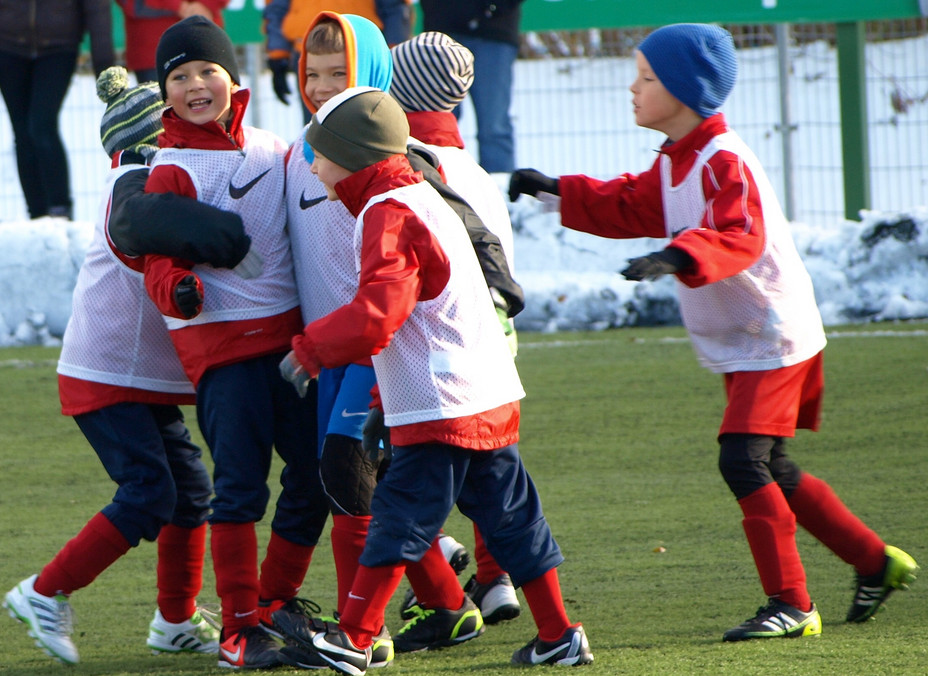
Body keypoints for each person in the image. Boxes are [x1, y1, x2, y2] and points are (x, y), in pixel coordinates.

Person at [507, 23, 919, 642]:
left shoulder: (723, 158)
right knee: (772, 466)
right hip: (746, 339)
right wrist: (559, 191)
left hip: (773, 337)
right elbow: (631, 203)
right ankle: (875, 562)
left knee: (742, 460)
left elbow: (739, 233)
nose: (632, 88)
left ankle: (793, 604)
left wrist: (677, 256)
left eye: (646, 78)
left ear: (684, 89)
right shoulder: (678, 158)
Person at [281, 86, 593, 675]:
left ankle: (354, 637)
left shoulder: (386, 210)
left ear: (353, 154)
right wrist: (381, 395)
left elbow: (382, 311)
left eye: (320, 152)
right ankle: (558, 633)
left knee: (397, 516)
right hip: (487, 389)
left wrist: (310, 348)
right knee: (513, 517)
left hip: (441, 399)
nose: (313, 163)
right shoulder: (418, 194)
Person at [2, 70, 254, 665]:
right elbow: (149, 229)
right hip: (108, 373)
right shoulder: (132, 187)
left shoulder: (139, 180)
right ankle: (45, 590)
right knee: (149, 493)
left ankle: (175, 619)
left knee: (190, 492)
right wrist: (230, 235)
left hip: (132, 374)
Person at [131, 16, 331, 670]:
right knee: (242, 489)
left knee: (320, 475)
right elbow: (156, 264)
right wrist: (180, 289)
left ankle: (275, 600)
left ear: (232, 77)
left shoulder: (275, 149)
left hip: (293, 345)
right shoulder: (170, 169)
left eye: (206, 71)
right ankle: (240, 629)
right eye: (179, 76)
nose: (195, 85)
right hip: (223, 356)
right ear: (163, 91)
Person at [388, 29, 524, 625]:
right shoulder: (474, 167)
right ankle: (496, 579)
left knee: (420, 457)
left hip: (442, 340)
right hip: (496, 335)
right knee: (495, 466)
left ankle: (436, 553)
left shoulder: (412, 163)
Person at [0, 0, 115, 219]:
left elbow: (97, 9)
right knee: (22, 134)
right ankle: (36, 213)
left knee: (42, 126)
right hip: (7, 49)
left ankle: (60, 207)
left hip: (59, 48)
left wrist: (105, 69)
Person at [419, 0, 524, 173]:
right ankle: (436, 181)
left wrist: (496, 6)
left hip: (494, 30)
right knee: (436, 121)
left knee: (494, 126)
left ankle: (500, 188)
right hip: (442, 30)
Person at [262, 0, 411, 118]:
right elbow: (277, 8)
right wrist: (278, 55)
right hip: (309, 51)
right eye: (312, 76)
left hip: (360, 56)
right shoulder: (300, 149)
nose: (322, 87)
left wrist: (392, 58)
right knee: (318, 120)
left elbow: (395, 8)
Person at [115, 0, 228, 84]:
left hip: (204, 42)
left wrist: (206, 4)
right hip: (153, 49)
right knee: (159, 112)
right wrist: (179, 5)